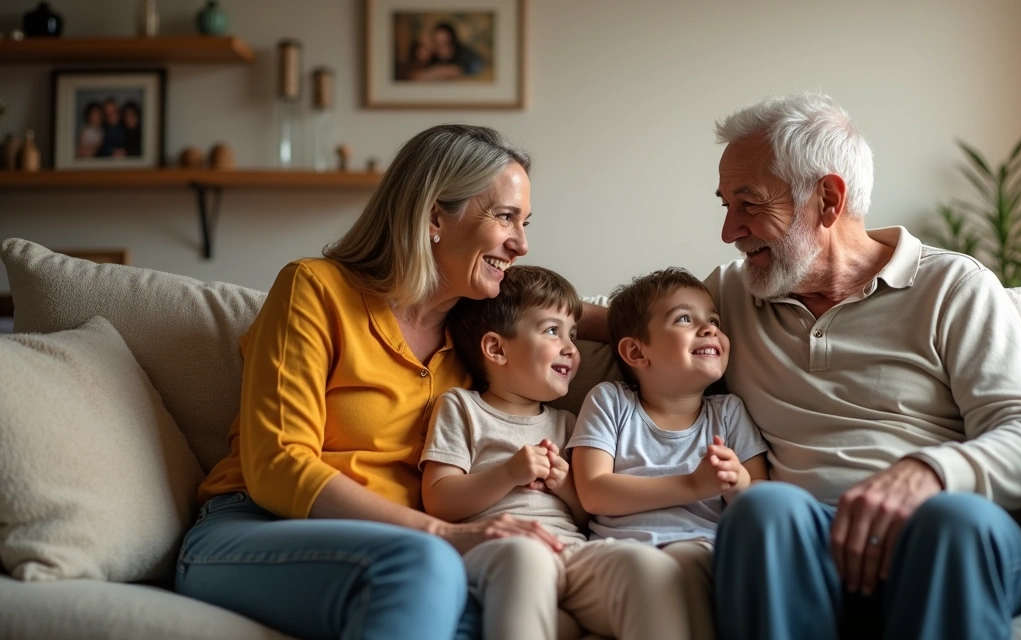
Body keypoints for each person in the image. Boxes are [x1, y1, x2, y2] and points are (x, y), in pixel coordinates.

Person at [579, 93, 1021, 639]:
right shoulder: (730, 296)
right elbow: (637, 327)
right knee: (764, 511)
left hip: (943, 536)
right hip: (807, 548)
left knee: (948, 522)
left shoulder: (953, 287)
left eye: (749, 204)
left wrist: (932, 473)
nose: (728, 230)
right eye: (725, 205)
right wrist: (493, 298)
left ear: (828, 200)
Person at [175, 124, 565, 640]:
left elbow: (558, 307)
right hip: (254, 528)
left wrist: (621, 323)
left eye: (525, 221)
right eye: (505, 217)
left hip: (403, 550)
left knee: (498, 614)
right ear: (433, 217)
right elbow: (277, 467)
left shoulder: (478, 333)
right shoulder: (314, 289)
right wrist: (446, 534)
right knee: (425, 567)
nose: (521, 242)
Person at [424, 265, 693, 640]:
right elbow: (438, 500)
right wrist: (508, 474)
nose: (571, 348)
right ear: (496, 348)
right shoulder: (462, 408)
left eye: (574, 334)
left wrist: (566, 485)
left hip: (570, 550)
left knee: (645, 566)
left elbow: (590, 512)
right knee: (526, 558)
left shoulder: (569, 422)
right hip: (497, 547)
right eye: (553, 331)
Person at [569, 267, 769, 640]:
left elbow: (760, 497)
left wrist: (737, 483)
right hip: (622, 554)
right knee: (650, 568)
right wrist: (693, 485)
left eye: (713, 320)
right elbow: (593, 492)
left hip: (701, 550)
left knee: (689, 560)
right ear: (635, 351)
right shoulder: (610, 402)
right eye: (684, 319)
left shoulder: (728, 412)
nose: (709, 328)